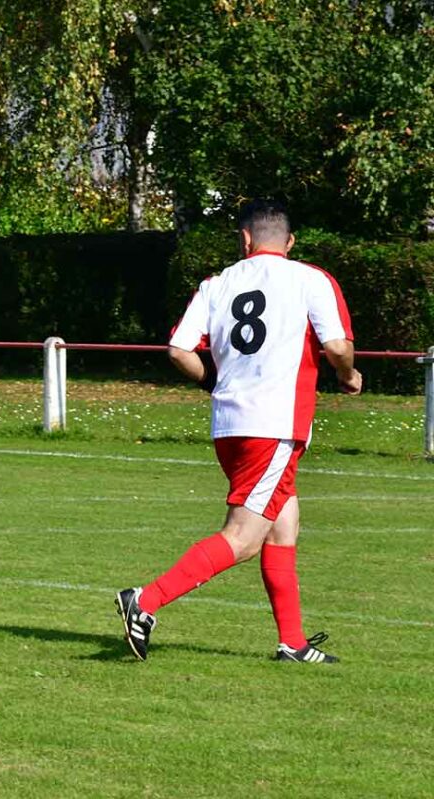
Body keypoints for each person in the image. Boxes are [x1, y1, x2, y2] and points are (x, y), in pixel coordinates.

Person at [115, 199, 362, 664]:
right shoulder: (312, 278)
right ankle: (145, 601)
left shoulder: (217, 284)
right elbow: (335, 345)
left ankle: (292, 642)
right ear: (289, 242)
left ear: (244, 239)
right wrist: (348, 376)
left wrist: (214, 381)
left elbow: (177, 350)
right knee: (244, 537)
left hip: (230, 427)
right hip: (274, 426)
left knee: (282, 524)